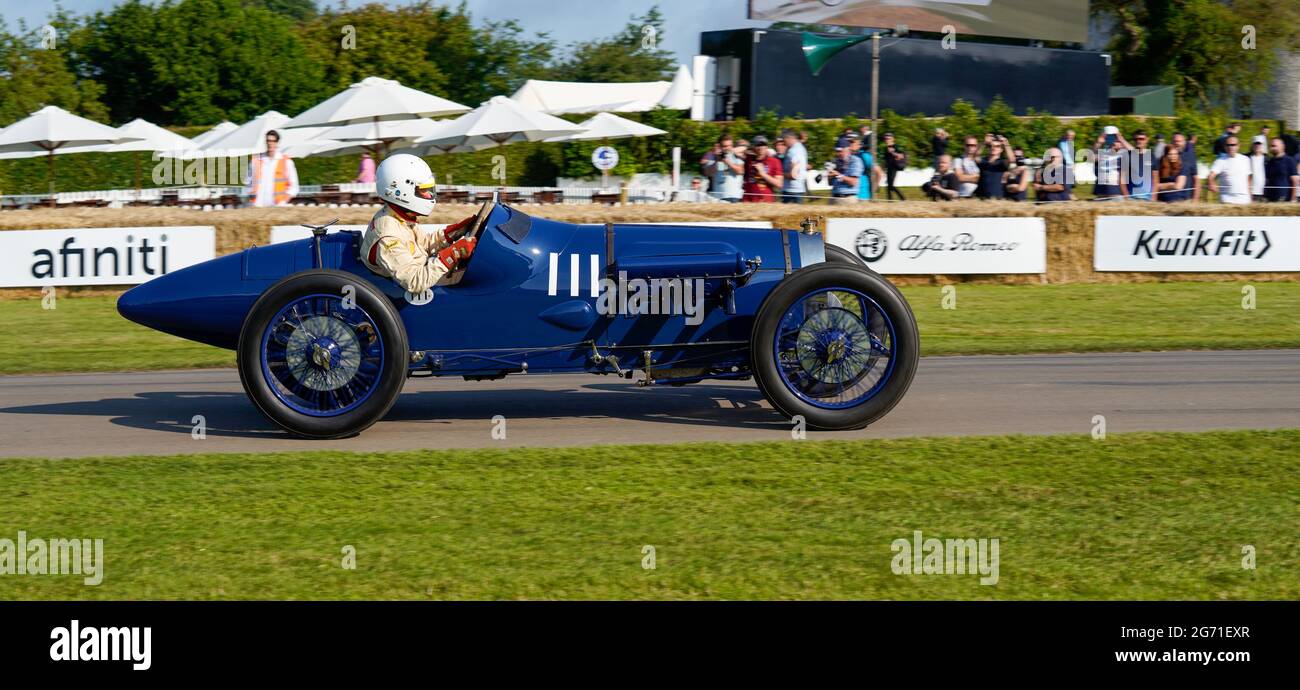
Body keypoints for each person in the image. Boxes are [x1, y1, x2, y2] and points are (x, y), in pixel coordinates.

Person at [359, 153, 476, 296]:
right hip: (413, 287)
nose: (429, 195)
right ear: (400, 191)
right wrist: (453, 253)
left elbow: (423, 246)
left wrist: (454, 232)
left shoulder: (399, 216)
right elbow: (414, 281)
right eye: (423, 190)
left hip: (425, 272)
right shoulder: (387, 236)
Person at [245, 130, 299, 207]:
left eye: (273, 141)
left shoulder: (287, 162)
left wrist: (283, 201)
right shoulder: (255, 160)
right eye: (268, 141)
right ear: (265, 142)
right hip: (257, 206)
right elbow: (248, 182)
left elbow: (294, 187)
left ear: (277, 143)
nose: (270, 143)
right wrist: (251, 195)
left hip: (277, 206)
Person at [1207, 136, 1252, 204]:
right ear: (1225, 147)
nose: (1231, 147)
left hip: (1244, 200)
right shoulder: (1220, 160)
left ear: (1238, 146)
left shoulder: (1246, 159)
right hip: (1227, 200)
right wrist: (1211, 183)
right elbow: (1211, 176)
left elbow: (1248, 180)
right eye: (1228, 145)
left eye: (1233, 145)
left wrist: (1250, 196)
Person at [1092, 127, 1130, 201]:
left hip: (1114, 191)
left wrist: (1122, 140)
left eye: (1115, 140)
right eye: (1109, 138)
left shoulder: (1122, 154)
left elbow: (1135, 154)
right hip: (1101, 190)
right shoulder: (1103, 152)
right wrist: (1098, 143)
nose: (1113, 142)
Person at [743, 135, 783, 202]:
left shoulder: (774, 161)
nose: (760, 147)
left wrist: (763, 174)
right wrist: (749, 149)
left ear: (767, 146)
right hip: (748, 200)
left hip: (765, 201)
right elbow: (736, 151)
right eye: (758, 145)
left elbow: (779, 184)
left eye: (763, 145)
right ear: (753, 147)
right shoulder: (748, 159)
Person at [975, 134, 1013, 199]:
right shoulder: (983, 161)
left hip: (997, 199)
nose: (993, 148)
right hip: (981, 198)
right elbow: (975, 157)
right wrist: (984, 143)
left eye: (997, 146)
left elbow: (1011, 159)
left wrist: (1006, 144)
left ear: (1001, 150)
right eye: (990, 146)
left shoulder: (1002, 162)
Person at [1262, 137, 1299, 202]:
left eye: (1274, 146)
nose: (1272, 148)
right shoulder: (1269, 162)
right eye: (1271, 146)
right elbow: (1267, 181)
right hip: (1271, 200)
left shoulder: (1289, 160)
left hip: (1285, 199)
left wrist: (1293, 198)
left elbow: (1295, 181)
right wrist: (1264, 196)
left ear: (1282, 147)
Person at [712, 138, 745, 202]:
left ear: (732, 146)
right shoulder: (715, 158)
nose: (727, 148)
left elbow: (740, 171)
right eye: (724, 146)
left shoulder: (736, 156)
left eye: (729, 145)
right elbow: (708, 173)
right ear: (720, 147)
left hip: (734, 196)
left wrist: (727, 162)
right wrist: (717, 160)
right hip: (718, 197)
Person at [780, 129, 808, 204]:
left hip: (791, 191)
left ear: (789, 138)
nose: (783, 143)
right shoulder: (801, 148)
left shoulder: (793, 151)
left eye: (784, 140)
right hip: (797, 189)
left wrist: (780, 174)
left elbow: (793, 175)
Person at [1126, 130, 1155, 201]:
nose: (1138, 141)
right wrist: (1126, 198)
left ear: (1147, 140)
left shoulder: (1152, 156)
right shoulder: (1127, 156)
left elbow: (1155, 179)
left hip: (1148, 198)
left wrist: (1154, 197)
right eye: (1136, 139)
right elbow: (1122, 180)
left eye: (1141, 139)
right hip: (1132, 198)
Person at [1171, 132, 1200, 202]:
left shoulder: (1190, 156)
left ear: (1184, 142)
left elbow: (1196, 179)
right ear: (1171, 142)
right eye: (1175, 141)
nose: (1177, 143)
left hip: (1186, 199)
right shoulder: (1166, 156)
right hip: (1168, 200)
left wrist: (1195, 200)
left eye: (1179, 141)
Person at [881, 132, 907, 200]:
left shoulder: (896, 146)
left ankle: (902, 198)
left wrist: (893, 152)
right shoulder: (886, 148)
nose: (887, 140)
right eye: (885, 139)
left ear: (892, 139)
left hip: (893, 167)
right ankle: (890, 200)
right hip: (889, 167)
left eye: (888, 138)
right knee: (889, 185)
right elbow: (885, 159)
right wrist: (883, 169)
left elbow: (901, 156)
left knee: (891, 185)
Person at [855, 136, 878, 202]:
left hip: (863, 194)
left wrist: (875, 189)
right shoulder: (862, 154)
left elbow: (879, 173)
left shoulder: (865, 155)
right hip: (854, 194)